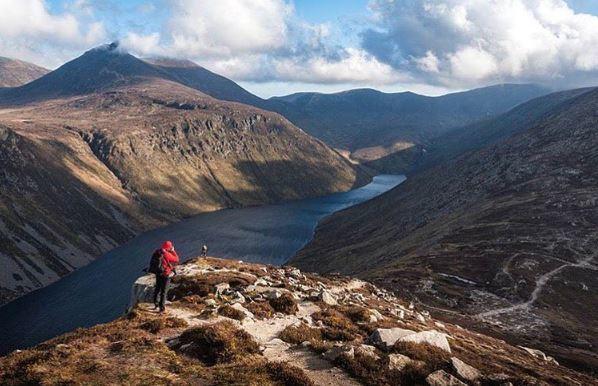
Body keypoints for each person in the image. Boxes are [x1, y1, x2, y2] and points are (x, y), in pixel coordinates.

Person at [152, 240, 179, 313]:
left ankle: (155, 304)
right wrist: (173, 251)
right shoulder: (167, 254)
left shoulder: (157, 251)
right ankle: (162, 308)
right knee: (164, 291)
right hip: (165, 274)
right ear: (169, 247)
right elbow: (176, 259)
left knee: (157, 288)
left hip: (158, 273)